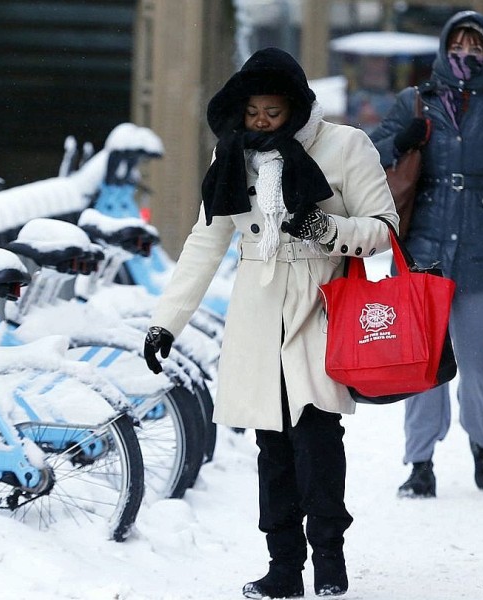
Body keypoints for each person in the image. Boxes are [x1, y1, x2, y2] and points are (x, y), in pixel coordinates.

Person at [143, 47, 397, 598]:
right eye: (252, 111)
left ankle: (330, 558)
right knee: (272, 447)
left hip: (320, 304)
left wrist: (326, 230)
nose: (260, 122)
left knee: (318, 439)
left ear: (297, 108)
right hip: (256, 314)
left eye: (272, 113)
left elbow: (384, 226)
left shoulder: (345, 145)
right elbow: (205, 241)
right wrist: (166, 323)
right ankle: (284, 567)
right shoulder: (229, 156)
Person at [368, 11, 483, 498]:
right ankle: (420, 461)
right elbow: (368, 157)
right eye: (459, 46)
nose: (467, 55)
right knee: (422, 362)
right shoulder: (415, 102)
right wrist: (401, 140)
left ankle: (482, 442)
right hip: (422, 250)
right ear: (444, 49)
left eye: (477, 47)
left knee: (480, 364)